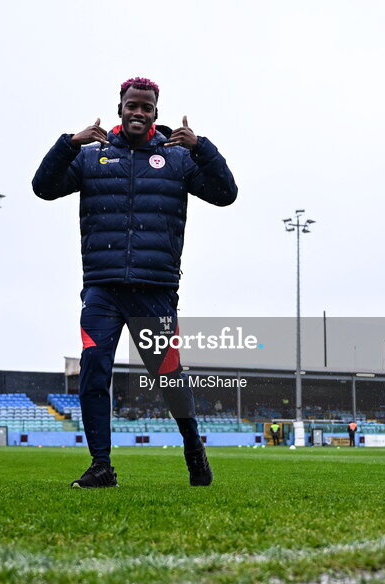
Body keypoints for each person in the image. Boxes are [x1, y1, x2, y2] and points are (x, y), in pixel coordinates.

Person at [33, 77, 237, 488]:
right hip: (102, 290)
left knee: (168, 378)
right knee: (94, 371)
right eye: (132, 105)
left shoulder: (178, 159)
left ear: (156, 113)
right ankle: (101, 467)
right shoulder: (92, 157)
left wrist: (202, 147)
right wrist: (69, 143)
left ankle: (193, 448)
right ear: (120, 108)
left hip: (155, 290)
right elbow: (43, 187)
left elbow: (226, 193)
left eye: (146, 107)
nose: (138, 113)